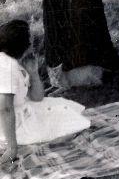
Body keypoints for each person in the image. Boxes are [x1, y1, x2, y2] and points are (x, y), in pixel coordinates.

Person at [0, 20, 91, 167]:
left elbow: (37, 97)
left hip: (23, 110)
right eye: (29, 40)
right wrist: (12, 147)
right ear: (21, 44)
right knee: (68, 128)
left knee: (67, 115)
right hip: (10, 123)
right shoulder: (6, 67)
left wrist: (33, 73)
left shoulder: (15, 62)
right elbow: (5, 108)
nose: (32, 43)